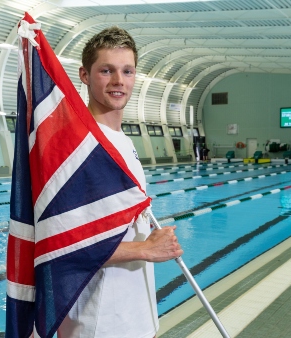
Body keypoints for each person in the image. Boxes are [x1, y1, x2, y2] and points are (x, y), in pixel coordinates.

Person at [57, 26, 183, 338]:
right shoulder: (78, 147)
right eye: (106, 71)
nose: (119, 81)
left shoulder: (121, 141)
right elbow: (65, 245)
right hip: (99, 324)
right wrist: (146, 248)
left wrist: (144, 234)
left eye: (127, 71)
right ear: (85, 75)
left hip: (135, 318)